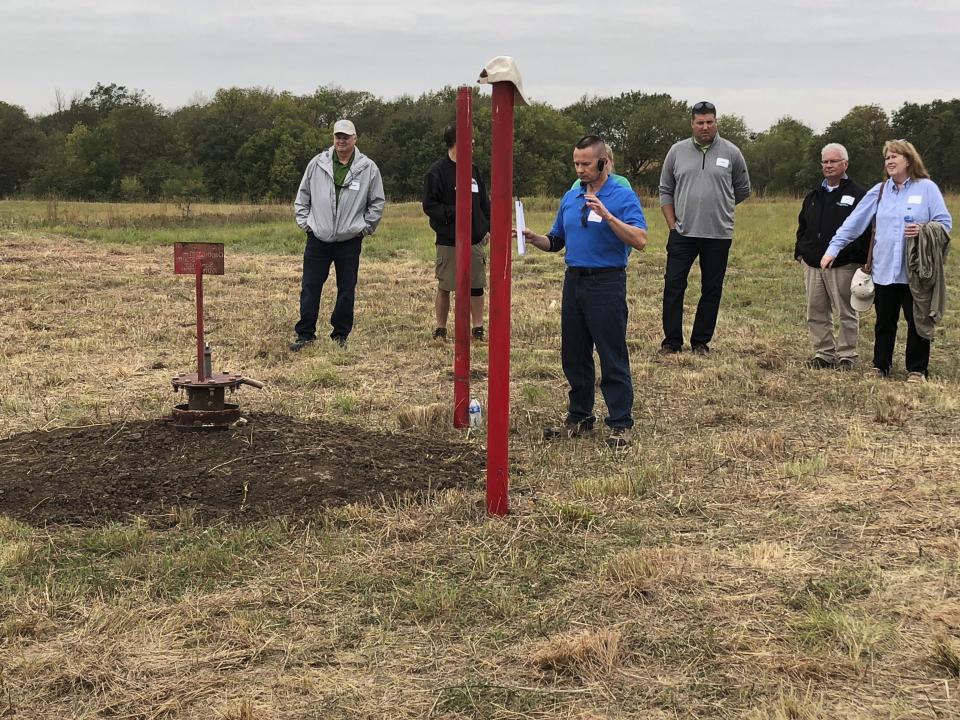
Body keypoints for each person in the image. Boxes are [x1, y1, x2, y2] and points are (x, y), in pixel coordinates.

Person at [518, 135, 647, 449]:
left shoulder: (622, 194)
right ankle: (579, 417)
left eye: (586, 164)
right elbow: (557, 240)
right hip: (574, 281)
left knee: (610, 352)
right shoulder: (571, 195)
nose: (580, 169)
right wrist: (536, 239)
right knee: (574, 354)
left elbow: (640, 239)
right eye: (576, 163)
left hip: (606, 282)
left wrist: (608, 216)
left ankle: (620, 423)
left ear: (603, 162)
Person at [821, 139, 952, 382]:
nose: (890, 161)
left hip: (915, 270)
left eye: (895, 156)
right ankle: (880, 365)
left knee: (917, 320)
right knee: (884, 321)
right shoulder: (879, 191)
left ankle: (917, 369)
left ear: (909, 160)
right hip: (884, 270)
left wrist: (924, 229)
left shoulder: (926, 188)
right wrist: (833, 249)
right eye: (887, 157)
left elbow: (945, 224)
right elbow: (854, 223)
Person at [658, 100, 751, 355]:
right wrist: (671, 223)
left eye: (710, 122)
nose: (705, 127)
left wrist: (722, 205)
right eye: (700, 122)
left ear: (716, 122)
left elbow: (743, 188)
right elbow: (665, 189)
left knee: (711, 288)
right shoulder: (676, 152)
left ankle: (700, 341)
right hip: (682, 233)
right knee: (674, 285)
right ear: (692, 124)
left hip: (718, 234)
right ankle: (672, 341)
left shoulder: (731, 152)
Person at [291, 119, 385, 350]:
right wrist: (307, 224)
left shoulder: (368, 168)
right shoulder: (317, 164)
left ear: (355, 138)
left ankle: (340, 335)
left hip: (349, 239)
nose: (341, 140)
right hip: (318, 237)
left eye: (346, 136)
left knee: (346, 288)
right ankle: (305, 334)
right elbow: (302, 196)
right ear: (333, 138)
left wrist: (365, 227)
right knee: (311, 285)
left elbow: (377, 202)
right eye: (338, 136)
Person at [794, 143, 871, 370]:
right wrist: (800, 251)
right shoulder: (813, 195)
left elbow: (867, 229)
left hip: (844, 264)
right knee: (816, 311)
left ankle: (847, 355)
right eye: (825, 162)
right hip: (813, 264)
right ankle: (823, 353)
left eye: (833, 161)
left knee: (846, 311)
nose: (828, 166)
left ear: (845, 164)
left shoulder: (858, 194)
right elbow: (803, 225)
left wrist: (862, 260)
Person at [422, 124, 491, 341]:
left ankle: (477, 329)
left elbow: (484, 203)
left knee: (476, 285)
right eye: (469, 140)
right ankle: (441, 329)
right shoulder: (437, 172)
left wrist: (486, 227)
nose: (473, 145)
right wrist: (455, 212)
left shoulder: (474, 170)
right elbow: (429, 205)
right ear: (457, 142)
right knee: (446, 285)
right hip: (449, 240)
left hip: (475, 240)